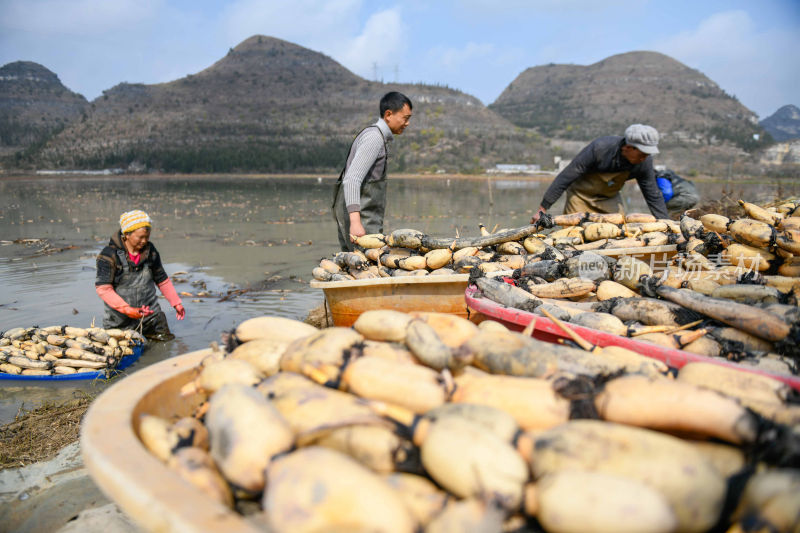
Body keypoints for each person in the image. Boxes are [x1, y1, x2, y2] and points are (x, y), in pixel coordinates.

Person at [531, 124, 669, 222]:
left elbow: (652, 194)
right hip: (580, 196)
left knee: (619, 231)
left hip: (609, 198)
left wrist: (666, 224)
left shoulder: (643, 162)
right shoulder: (600, 148)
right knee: (575, 234)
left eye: (647, 154)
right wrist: (543, 208)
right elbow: (566, 177)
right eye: (642, 153)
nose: (644, 158)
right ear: (628, 147)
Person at [333, 91, 413, 251]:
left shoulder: (379, 138)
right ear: (389, 114)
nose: (407, 123)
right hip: (361, 220)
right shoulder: (374, 138)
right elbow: (351, 180)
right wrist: (355, 223)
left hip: (367, 218)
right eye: (405, 118)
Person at [95, 210, 185, 340]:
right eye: (140, 237)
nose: (144, 241)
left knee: (164, 345)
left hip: (150, 316)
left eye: (147, 237)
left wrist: (176, 303)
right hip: (120, 320)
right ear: (127, 234)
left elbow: (162, 280)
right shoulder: (109, 255)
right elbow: (103, 289)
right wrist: (127, 309)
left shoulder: (150, 251)